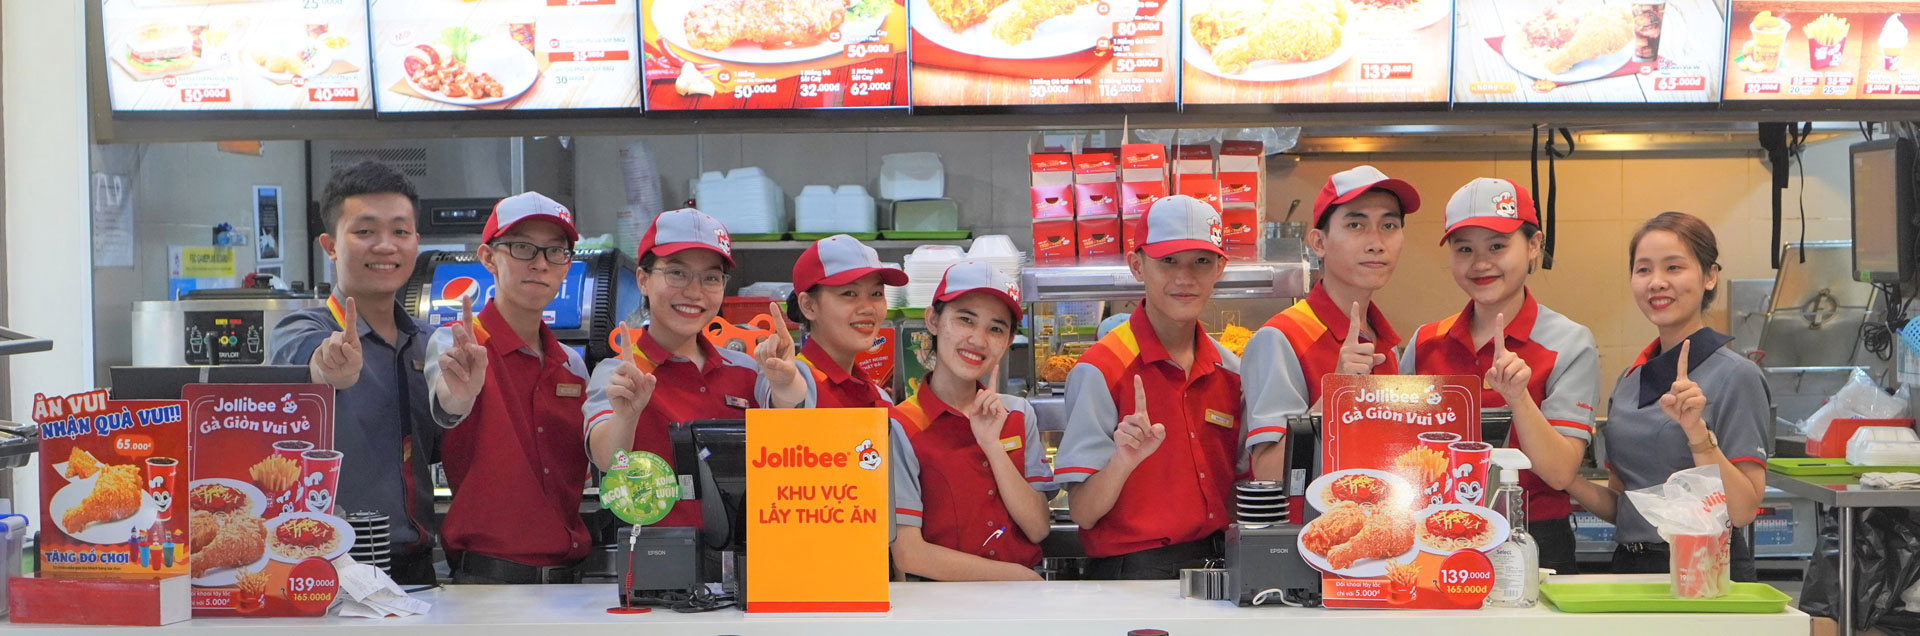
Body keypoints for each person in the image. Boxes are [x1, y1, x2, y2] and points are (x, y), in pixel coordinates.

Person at [1399, 178, 1599, 573]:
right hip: (1435, 536)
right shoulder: (1425, 343)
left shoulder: (1570, 343)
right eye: (1465, 249)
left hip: (1533, 538)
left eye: (1497, 246)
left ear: (1533, 245)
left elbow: (1560, 473)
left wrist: (1518, 398)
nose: (1480, 263)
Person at [1565, 212, 1771, 581]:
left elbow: (1742, 510)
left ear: (1709, 276)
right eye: (1643, 270)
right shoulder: (1629, 381)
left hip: (1707, 570)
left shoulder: (1736, 375)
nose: (1657, 282)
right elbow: (1623, 506)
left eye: (1673, 267)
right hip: (1629, 567)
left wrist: (1697, 433)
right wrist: (1565, 477)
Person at [582, 208, 813, 529]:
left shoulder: (746, 368)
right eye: (677, 273)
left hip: (748, 551)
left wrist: (787, 383)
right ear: (643, 280)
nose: (694, 292)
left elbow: (793, 433)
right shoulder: (619, 373)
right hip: (657, 553)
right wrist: (626, 416)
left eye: (711, 278)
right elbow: (607, 459)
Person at [1053, 195, 1245, 580]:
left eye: (1201, 261)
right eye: (1168, 260)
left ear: (1220, 268)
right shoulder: (1101, 369)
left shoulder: (1231, 371)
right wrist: (1123, 461)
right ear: (1137, 265)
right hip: (1131, 577)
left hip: (1221, 567)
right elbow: (1083, 512)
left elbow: (1241, 489)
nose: (1185, 278)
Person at [269, 161, 438, 584]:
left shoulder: (427, 342)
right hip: (327, 568)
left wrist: (459, 401)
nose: (385, 246)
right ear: (330, 245)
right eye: (365, 231)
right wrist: (330, 370)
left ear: (416, 242)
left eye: (400, 231)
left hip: (419, 569)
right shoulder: (302, 330)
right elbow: (313, 363)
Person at [425, 192, 594, 584]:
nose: (540, 263)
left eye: (556, 251)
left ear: (567, 266)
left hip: (570, 585)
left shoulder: (572, 365)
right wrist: (460, 394)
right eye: (522, 247)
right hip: (487, 585)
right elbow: (449, 403)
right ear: (488, 258)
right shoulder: (457, 345)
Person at [1241, 165, 1419, 480]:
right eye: (1355, 225)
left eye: (1389, 225)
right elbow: (1267, 472)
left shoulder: (1386, 345)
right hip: (1311, 514)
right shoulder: (1281, 338)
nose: (1376, 243)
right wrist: (1335, 395)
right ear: (1319, 242)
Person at [888, 262, 1053, 581]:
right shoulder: (901, 425)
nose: (978, 340)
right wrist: (1018, 578)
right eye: (965, 320)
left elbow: (1037, 528)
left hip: (1022, 601)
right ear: (933, 320)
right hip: (941, 602)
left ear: (1008, 341)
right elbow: (909, 554)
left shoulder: (1017, 413)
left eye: (996, 329)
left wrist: (993, 447)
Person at [787, 234, 909, 408]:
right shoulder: (792, 382)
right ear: (809, 306)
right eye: (849, 293)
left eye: (876, 294)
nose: (868, 308)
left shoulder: (879, 397)